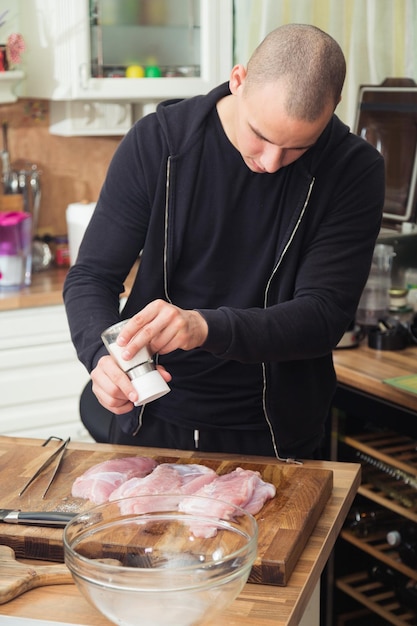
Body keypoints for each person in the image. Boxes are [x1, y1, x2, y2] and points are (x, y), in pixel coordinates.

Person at [63, 24, 385, 460]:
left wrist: (204, 327)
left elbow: (323, 316)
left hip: (275, 432)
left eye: (297, 148)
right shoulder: (159, 141)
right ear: (238, 80)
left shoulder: (352, 168)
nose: (272, 163)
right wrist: (99, 361)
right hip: (152, 416)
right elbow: (91, 276)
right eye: (262, 136)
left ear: (331, 112)